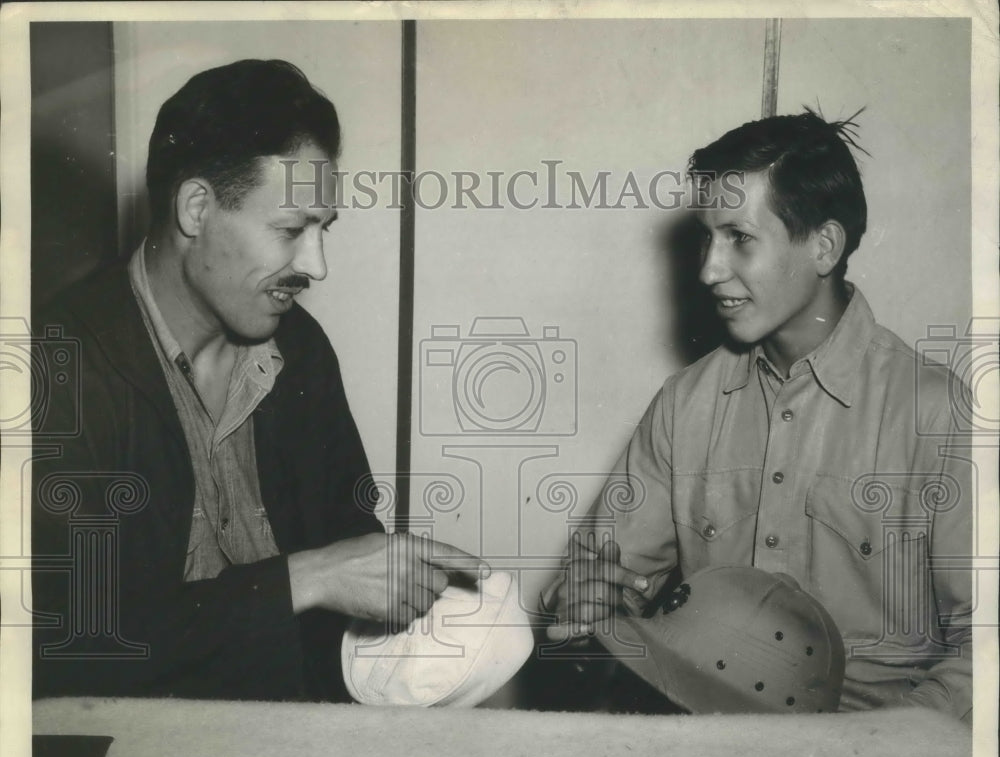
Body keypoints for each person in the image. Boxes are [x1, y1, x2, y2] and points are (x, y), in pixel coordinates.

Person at [31, 59, 487, 701]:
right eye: (290, 230)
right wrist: (306, 579)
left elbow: (348, 546)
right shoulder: (55, 371)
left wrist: (409, 592)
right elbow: (57, 650)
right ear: (196, 209)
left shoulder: (301, 350)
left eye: (323, 229)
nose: (316, 265)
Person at [539, 109, 973, 721]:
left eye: (739, 238)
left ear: (823, 246)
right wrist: (583, 612)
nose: (709, 270)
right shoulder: (684, 404)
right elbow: (597, 590)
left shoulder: (939, 412)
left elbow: (986, 650)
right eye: (706, 237)